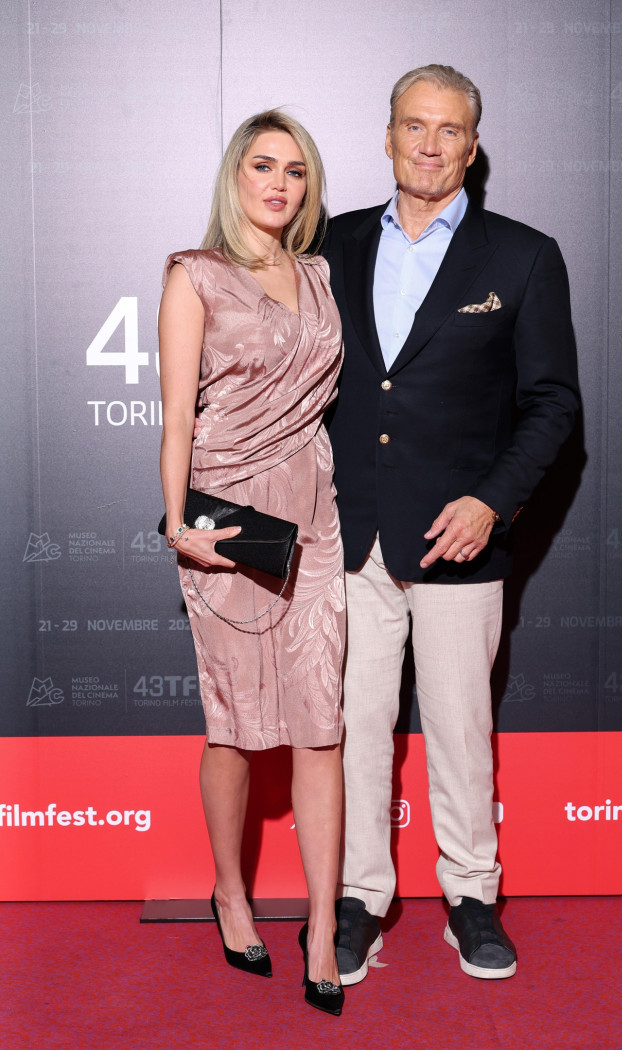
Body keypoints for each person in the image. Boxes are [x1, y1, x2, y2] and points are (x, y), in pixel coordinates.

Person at [323, 65, 580, 982]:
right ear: (388, 134)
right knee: (354, 729)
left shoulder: (523, 256)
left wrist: (491, 501)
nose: (429, 145)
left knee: (462, 730)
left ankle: (472, 895)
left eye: (450, 130)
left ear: (473, 147)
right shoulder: (332, 242)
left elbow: (552, 404)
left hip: (459, 541)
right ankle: (358, 899)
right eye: (414, 125)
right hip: (351, 534)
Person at [159, 110, 346, 1015]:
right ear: (236, 176)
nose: (279, 183)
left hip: (314, 519)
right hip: (229, 526)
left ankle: (322, 926)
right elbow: (177, 420)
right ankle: (230, 895)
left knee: (322, 727)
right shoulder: (194, 276)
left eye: (296, 170)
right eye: (263, 166)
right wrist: (177, 524)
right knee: (231, 725)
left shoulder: (319, 274)